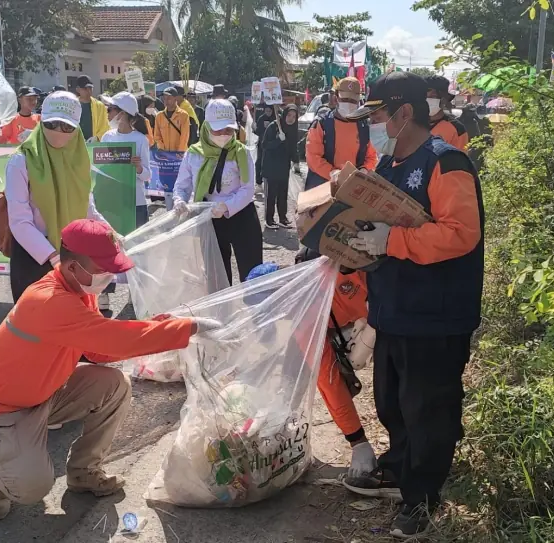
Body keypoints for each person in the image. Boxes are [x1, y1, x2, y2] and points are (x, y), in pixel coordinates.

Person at [0, 218, 221, 521]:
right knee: (32, 489)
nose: (109, 277)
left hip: (46, 391)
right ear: (72, 267)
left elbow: (100, 349)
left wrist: (163, 323)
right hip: (0, 410)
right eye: (102, 270)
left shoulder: (81, 289)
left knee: (114, 385)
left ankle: (84, 471)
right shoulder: (48, 300)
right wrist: (187, 327)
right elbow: (118, 341)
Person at [342, 71, 484, 538]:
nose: (373, 125)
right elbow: (372, 229)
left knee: (428, 408)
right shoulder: (387, 167)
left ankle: (423, 498)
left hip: (435, 314)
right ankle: (400, 469)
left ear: (404, 113)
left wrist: (393, 239)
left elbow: (461, 234)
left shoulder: (447, 163)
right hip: (395, 308)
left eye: (378, 115)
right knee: (393, 402)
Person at [247, 258, 379, 488]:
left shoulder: (339, 265)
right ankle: (278, 432)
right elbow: (329, 382)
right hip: (353, 322)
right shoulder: (305, 319)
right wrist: (358, 441)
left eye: (281, 310)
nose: (285, 317)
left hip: (396, 310)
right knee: (290, 378)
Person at [5, 91, 110, 301]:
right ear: (42, 121)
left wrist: (111, 234)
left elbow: (87, 208)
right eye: (52, 124)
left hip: (73, 254)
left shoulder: (79, 161)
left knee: (72, 325)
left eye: (67, 127)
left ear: (76, 129)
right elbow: (19, 221)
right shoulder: (21, 161)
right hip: (34, 256)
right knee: (36, 326)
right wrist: (53, 257)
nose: (58, 132)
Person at [173, 99, 262, 284]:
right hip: (210, 219)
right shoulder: (194, 154)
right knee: (217, 275)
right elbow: (182, 185)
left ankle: (254, 309)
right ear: (206, 127)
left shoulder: (242, 153)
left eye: (229, 130)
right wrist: (179, 200)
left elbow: (248, 189)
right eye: (218, 130)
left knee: (252, 272)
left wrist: (227, 206)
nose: (223, 135)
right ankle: (223, 311)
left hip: (242, 216)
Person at [305, 77, 378, 190]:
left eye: (353, 101)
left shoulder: (365, 127)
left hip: (352, 189)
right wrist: (332, 173)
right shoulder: (321, 124)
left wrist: (364, 169)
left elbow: (371, 157)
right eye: (345, 99)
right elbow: (312, 157)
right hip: (324, 187)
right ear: (336, 98)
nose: (349, 104)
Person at [101, 92, 152, 227]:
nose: (107, 113)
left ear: (122, 113)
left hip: (135, 202)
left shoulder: (141, 139)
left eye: (109, 109)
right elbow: (100, 170)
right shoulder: (107, 137)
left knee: (136, 245)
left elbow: (147, 176)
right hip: (112, 201)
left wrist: (138, 168)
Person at [261, 104, 299, 229]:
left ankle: (283, 218)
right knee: (271, 194)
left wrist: (296, 161)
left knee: (283, 194)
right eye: (289, 115)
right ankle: (269, 219)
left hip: (284, 166)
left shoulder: (293, 129)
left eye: (294, 116)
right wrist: (278, 140)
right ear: (284, 115)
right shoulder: (274, 126)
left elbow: (293, 147)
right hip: (271, 166)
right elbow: (265, 145)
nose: (291, 118)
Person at [425, 75, 468, 151]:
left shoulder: (457, 129)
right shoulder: (410, 124)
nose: (429, 100)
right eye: (426, 97)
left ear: (444, 99)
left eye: (434, 97)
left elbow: (460, 160)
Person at [153, 87, 190, 152]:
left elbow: (184, 136)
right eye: (164, 98)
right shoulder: (159, 116)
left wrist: (180, 152)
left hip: (179, 155)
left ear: (175, 98)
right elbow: (157, 136)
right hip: (164, 154)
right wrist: (161, 148)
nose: (166, 101)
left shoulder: (183, 115)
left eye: (169, 98)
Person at [74, 75, 108, 142]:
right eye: (85, 88)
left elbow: (105, 126)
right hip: (75, 144)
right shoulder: (72, 105)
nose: (89, 91)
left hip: (93, 145)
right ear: (78, 89)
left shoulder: (100, 106)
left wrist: (97, 137)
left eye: (90, 88)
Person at [254, 104, 276, 185]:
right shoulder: (261, 118)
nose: (268, 113)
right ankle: (258, 180)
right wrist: (254, 128)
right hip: (262, 143)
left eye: (270, 111)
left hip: (273, 144)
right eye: (266, 111)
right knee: (259, 161)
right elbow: (258, 131)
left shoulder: (275, 118)